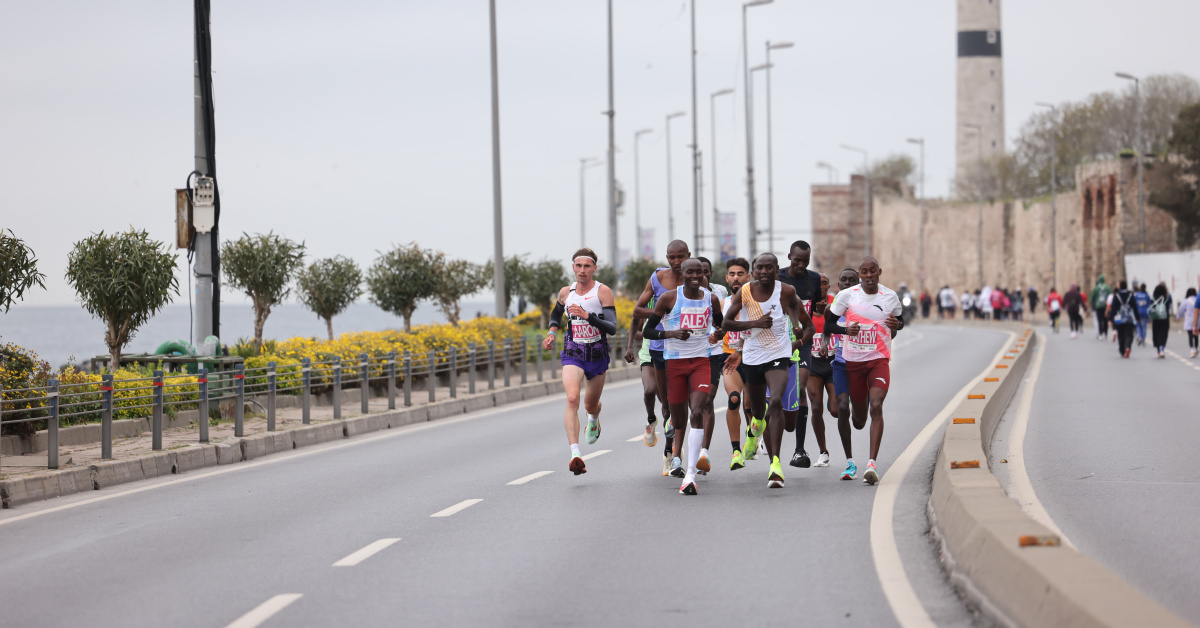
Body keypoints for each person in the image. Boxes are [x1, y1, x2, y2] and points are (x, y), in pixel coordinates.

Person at [722, 253, 813, 489]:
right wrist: (753, 323)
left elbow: (807, 325)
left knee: (775, 402)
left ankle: (775, 464)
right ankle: (755, 429)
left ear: (776, 270)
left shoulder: (786, 291)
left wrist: (797, 339)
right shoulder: (745, 292)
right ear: (753, 271)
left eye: (769, 267)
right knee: (758, 411)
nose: (764, 271)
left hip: (779, 356)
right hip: (752, 358)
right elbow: (726, 324)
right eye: (760, 268)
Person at [642, 258, 724, 495]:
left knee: (697, 410)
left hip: (701, 362)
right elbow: (648, 330)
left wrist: (718, 333)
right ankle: (676, 450)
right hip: (675, 364)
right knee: (678, 420)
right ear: (683, 273)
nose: (696, 276)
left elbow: (720, 327)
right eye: (691, 272)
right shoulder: (670, 298)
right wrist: (672, 333)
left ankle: (690, 475)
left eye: (700, 272)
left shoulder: (712, 298)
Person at [825, 256, 902, 486]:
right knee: (858, 420)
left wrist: (898, 326)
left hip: (878, 359)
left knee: (877, 405)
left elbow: (899, 321)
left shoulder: (890, 296)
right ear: (860, 275)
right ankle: (850, 460)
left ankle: (871, 464)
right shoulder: (848, 296)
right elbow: (829, 325)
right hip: (853, 361)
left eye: (872, 271)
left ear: (879, 272)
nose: (869, 276)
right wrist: (847, 330)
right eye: (864, 272)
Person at [544, 249, 619, 475]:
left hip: (597, 354)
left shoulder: (602, 292)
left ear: (594, 268)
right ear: (573, 268)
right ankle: (575, 453)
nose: (582, 271)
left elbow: (613, 328)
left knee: (589, 405)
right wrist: (551, 332)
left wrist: (589, 317)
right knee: (572, 398)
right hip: (573, 351)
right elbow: (556, 313)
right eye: (579, 266)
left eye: (587, 266)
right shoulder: (567, 292)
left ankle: (594, 417)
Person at [626, 240, 690, 475]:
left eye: (680, 257)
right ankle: (667, 448)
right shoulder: (657, 279)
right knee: (665, 403)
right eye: (671, 257)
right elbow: (636, 311)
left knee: (680, 403)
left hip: (687, 349)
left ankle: (673, 452)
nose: (676, 262)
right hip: (659, 346)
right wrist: (664, 312)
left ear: (688, 255)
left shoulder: (695, 278)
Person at [777, 241, 822, 468]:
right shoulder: (777, 277)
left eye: (806, 260)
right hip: (776, 340)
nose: (802, 265)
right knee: (775, 392)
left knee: (800, 386)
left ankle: (799, 450)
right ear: (789, 257)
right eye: (797, 260)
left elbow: (812, 310)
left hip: (802, 340)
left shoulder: (814, 280)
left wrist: (803, 337)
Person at [707, 257, 753, 470]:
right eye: (732, 274)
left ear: (748, 276)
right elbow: (718, 329)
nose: (736, 278)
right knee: (734, 400)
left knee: (753, 407)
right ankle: (736, 452)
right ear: (726, 278)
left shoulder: (755, 304)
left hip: (754, 359)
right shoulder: (723, 304)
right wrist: (716, 336)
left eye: (740, 274)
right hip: (729, 359)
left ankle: (752, 436)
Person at [695, 256, 729, 474]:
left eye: (705, 271)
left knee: (707, 402)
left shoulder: (719, 294)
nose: (701, 275)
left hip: (714, 354)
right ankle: (685, 449)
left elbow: (723, 322)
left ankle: (704, 453)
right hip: (690, 355)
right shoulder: (680, 294)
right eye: (697, 271)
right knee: (693, 406)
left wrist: (720, 333)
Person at [806, 272, 838, 468]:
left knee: (835, 411)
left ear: (828, 286)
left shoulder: (837, 303)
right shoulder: (805, 306)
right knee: (815, 406)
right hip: (813, 363)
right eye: (817, 284)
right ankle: (823, 451)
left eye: (824, 283)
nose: (820, 287)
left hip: (834, 362)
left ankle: (832, 402)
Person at [1107, 280, 1136, 358]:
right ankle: (1128, 347)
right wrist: (1137, 317)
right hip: (1129, 318)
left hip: (1119, 319)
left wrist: (1110, 319)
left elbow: (1113, 309)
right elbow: (1135, 307)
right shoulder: (1130, 295)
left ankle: (1122, 351)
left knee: (1121, 335)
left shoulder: (1117, 296)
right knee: (1129, 335)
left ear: (1120, 286)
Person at [1149, 283, 1173, 358]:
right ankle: (1163, 350)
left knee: (1156, 334)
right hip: (1165, 319)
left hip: (1156, 319)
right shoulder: (1166, 298)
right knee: (1163, 334)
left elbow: (1151, 309)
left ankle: (1158, 351)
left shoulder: (1153, 298)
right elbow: (1169, 307)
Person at [1090, 275, 1112, 340]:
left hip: (1098, 306)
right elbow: (1110, 296)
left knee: (1099, 320)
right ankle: (1106, 333)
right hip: (1106, 306)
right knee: (1105, 320)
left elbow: (1091, 298)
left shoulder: (1096, 288)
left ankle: (1100, 333)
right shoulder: (1107, 288)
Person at [1178, 288, 1198, 358]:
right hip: (1198, 321)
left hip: (1189, 322)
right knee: (1196, 335)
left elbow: (1181, 310)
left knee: (1190, 336)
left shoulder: (1186, 301)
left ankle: (1192, 350)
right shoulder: (1197, 299)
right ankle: (1196, 349)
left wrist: (1179, 316)